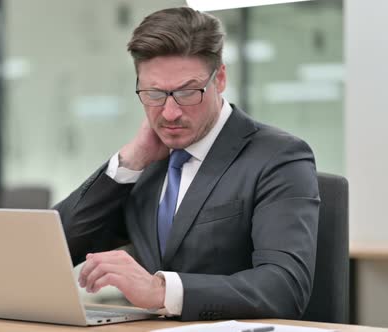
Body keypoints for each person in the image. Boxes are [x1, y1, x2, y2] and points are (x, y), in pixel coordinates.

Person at [54, 7, 319, 321]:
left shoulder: (279, 157)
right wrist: (130, 160)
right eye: (153, 93)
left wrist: (162, 290)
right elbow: (52, 249)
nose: (169, 113)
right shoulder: (149, 164)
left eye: (187, 92)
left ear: (219, 78)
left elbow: (284, 287)